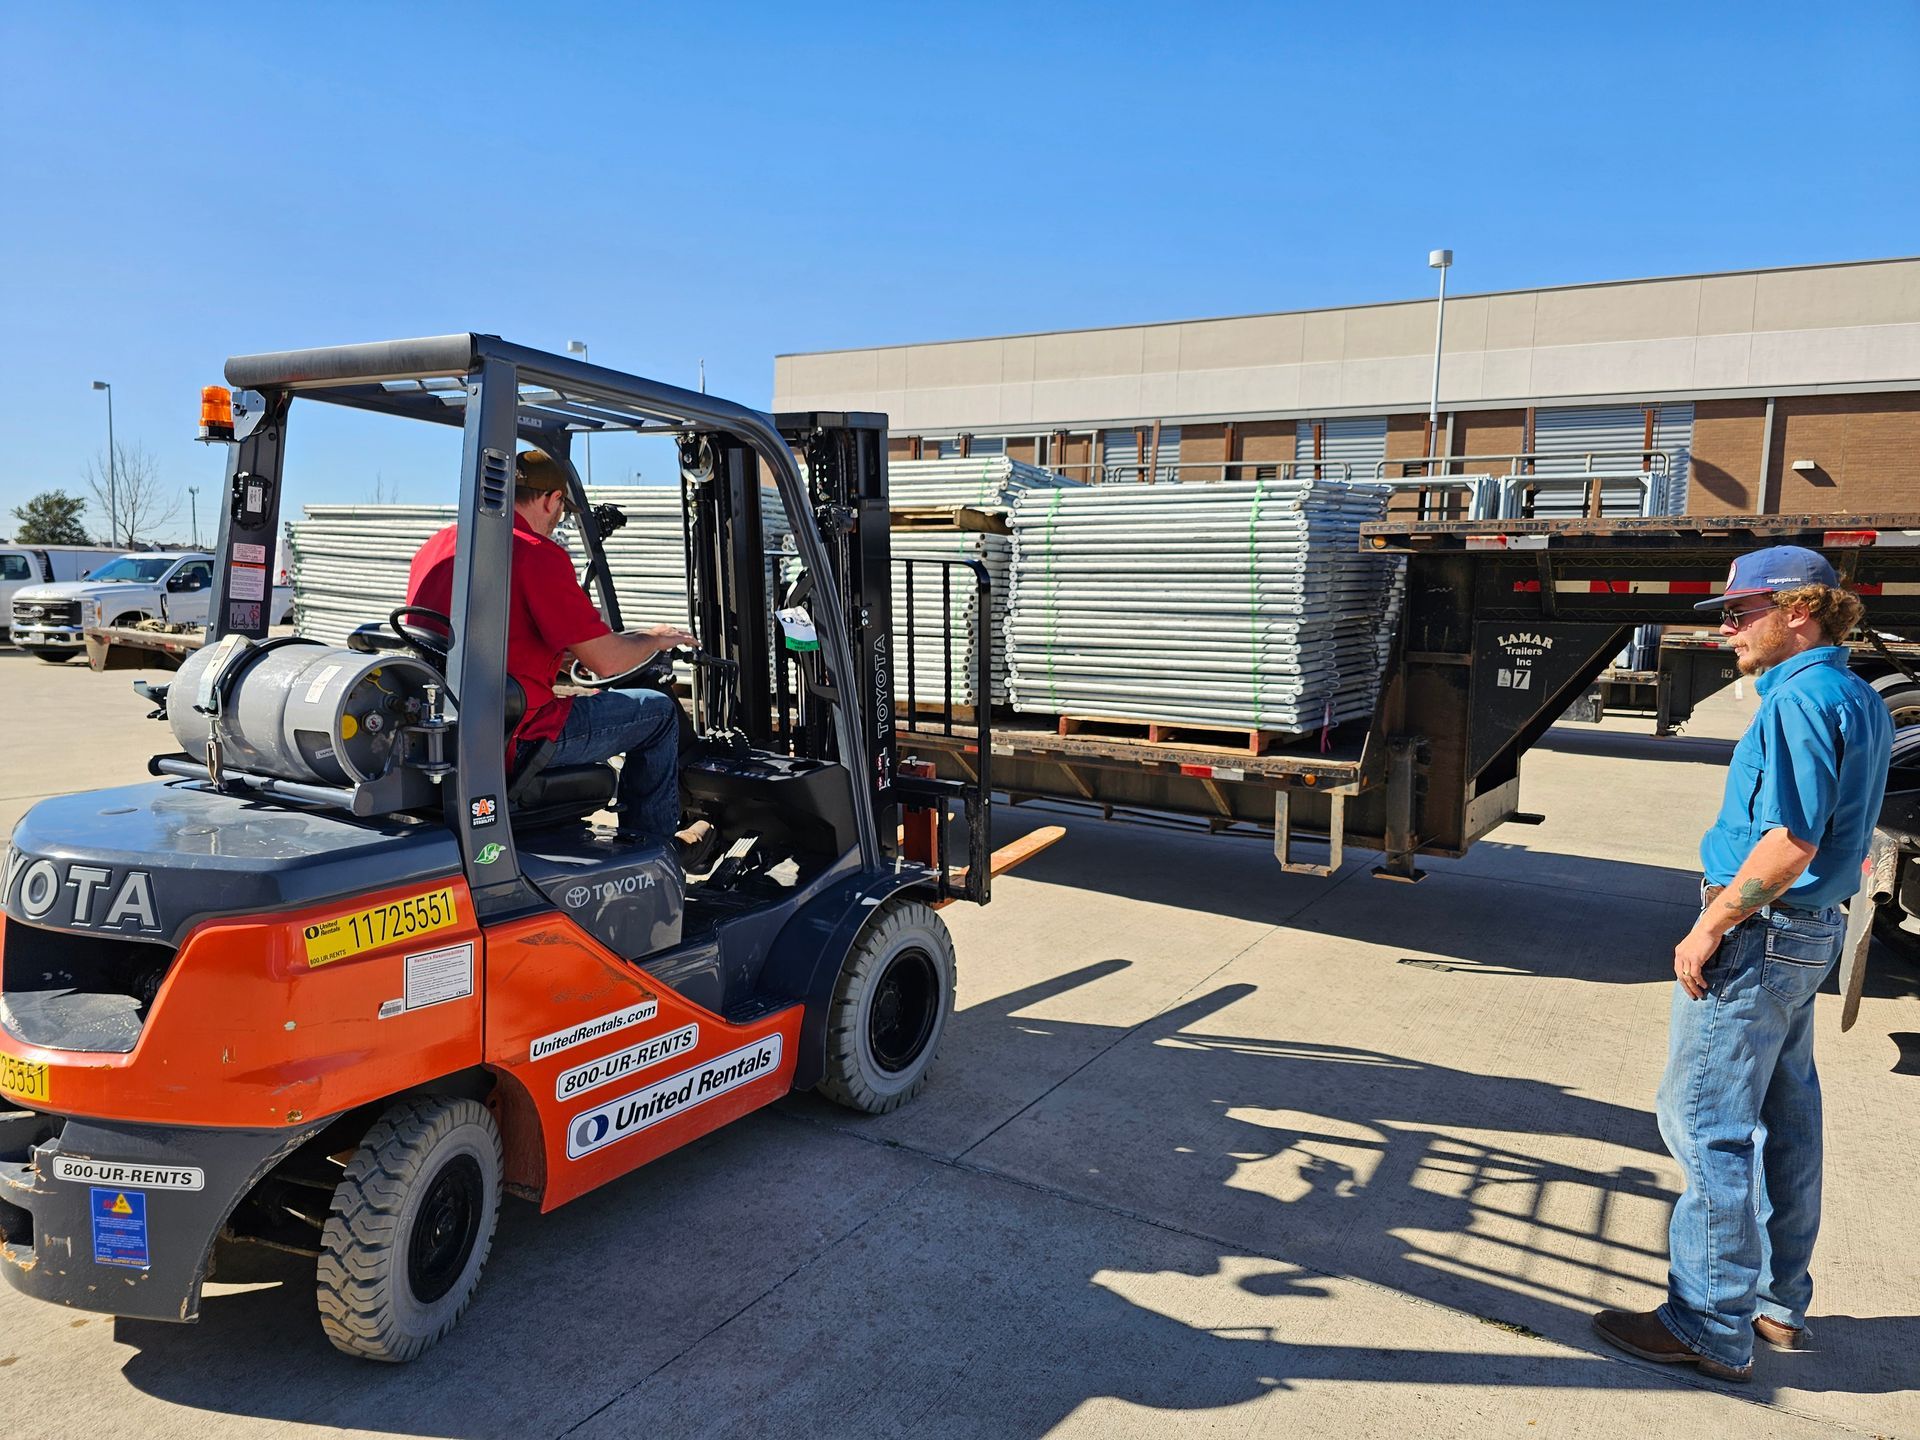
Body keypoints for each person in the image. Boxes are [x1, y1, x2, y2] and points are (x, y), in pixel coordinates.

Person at [1592, 545, 1890, 1382]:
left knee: (1704, 1122)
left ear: (1798, 609)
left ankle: (1707, 1323)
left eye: (1737, 612)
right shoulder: (1855, 695)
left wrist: (1709, 927)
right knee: (1788, 1122)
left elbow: (1791, 841)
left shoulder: (1798, 703)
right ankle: (1773, 1304)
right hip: (1809, 932)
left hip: (1760, 928)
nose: (1724, 631)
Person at [406, 448, 718, 866]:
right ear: (551, 500)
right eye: (560, 511)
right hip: (519, 733)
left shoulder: (440, 545)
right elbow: (607, 661)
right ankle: (656, 854)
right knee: (658, 713)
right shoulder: (536, 554)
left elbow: (497, 632)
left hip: (455, 727)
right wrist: (654, 638)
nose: (557, 522)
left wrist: (565, 658)